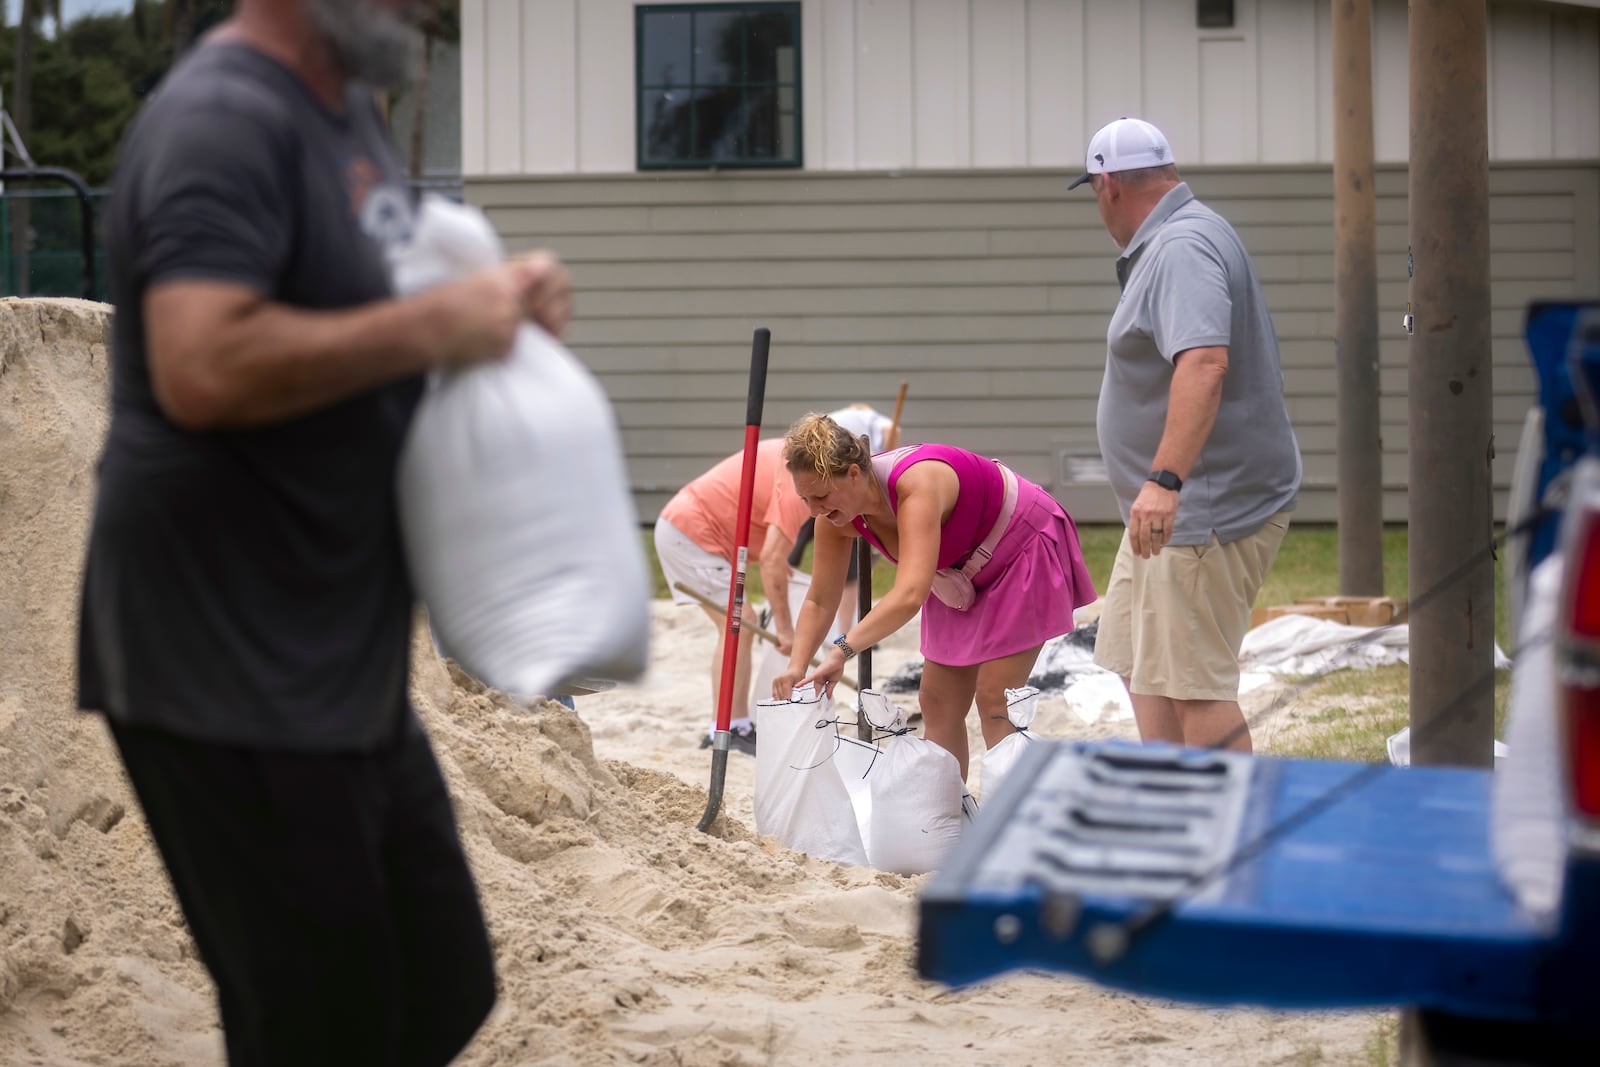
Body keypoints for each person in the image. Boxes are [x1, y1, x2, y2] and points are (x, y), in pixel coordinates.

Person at [75, 2, 572, 1063]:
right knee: (316, 1023)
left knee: (442, 980)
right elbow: (200, 361)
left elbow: (366, 313)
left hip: (333, 650)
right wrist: (439, 323)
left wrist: (488, 309)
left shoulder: (345, 111)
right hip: (221, 652)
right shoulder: (221, 121)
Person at [1069, 116, 1302, 753]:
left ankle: (1228, 840)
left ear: (1108, 184)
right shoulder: (1184, 235)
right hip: (1167, 511)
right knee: (1139, 660)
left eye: (1093, 192)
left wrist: (1166, 480)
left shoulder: (1181, 248)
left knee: (1195, 687)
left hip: (1199, 509)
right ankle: (1173, 805)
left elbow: (1204, 363)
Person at [773, 414, 1096, 781]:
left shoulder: (916, 482)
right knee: (937, 701)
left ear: (853, 473)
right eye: (805, 499)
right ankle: (944, 821)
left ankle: (1009, 818)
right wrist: (798, 666)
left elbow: (910, 594)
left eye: (821, 496)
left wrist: (842, 650)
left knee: (995, 698)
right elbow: (820, 598)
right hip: (955, 574)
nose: (814, 509)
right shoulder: (833, 519)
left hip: (1020, 545)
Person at [655, 438, 812, 751]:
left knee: (739, 622)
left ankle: (732, 725)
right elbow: (770, 560)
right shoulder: (799, 488)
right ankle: (726, 729)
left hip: (691, 526)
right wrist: (785, 629)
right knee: (738, 623)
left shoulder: (795, 459)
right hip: (690, 532)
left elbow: (774, 558)